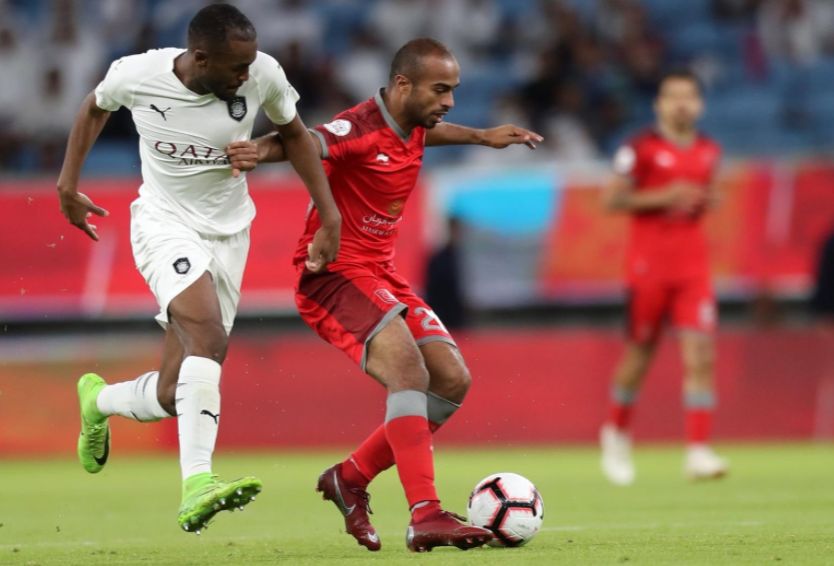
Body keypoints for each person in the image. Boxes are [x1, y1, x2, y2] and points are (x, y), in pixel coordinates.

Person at [228, 37, 542, 552]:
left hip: (380, 273)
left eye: (454, 90)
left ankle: (349, 477)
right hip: (333, 274)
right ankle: (426, 513)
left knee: (451, 379)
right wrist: (256, 151)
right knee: (408, 371)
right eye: (441, 90)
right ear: (403, 85)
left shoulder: (411, 123)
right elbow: (303, 141)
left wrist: (483, 138)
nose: (449, 102)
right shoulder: (358, 128)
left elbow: (428, 135)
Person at [55, 3, 341, 534]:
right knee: (208, 336)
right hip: (163, 223)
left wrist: (328, 213)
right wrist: (68, 183)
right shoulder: (138, 74)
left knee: (172, 393)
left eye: (250, 64)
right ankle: (197, 486)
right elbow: (94, 106)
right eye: (236, 67)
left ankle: (98, 400)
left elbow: (297, 135)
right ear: (200, 58)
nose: (245, 75)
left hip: (230, 233)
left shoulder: (263, 74)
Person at [599, 70, 727, 485]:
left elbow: (703, 197)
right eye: (673, 97)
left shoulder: (709, 150)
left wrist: (705, 199)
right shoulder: (640, 148)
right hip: (648, 269)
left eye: (689, 97)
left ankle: (698, 450)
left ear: (700, 104)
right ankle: (616, 432)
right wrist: (664, 196)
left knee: (701, 355)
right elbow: (612, 199)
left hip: (693, 270)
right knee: (640, 355)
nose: (682, 104)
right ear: (659, 104)